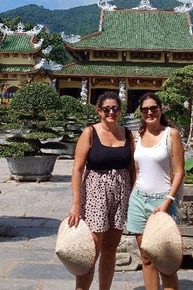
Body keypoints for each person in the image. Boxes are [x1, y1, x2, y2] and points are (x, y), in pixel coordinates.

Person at [69, 92, 135, 290]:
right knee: (91, 249)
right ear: (99, 111)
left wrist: (134, 196)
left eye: (115, 108)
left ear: (120, 111)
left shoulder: (127, 134)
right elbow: (77, 169)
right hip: (95, 193)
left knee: (111, 248)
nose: (111, 112)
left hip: (121, 192)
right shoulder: (90, 133)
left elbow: (132, 168)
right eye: (107, 109)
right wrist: (75, 204)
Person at [127, 92, 184, 290]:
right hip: (139, 201)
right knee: (146, 256)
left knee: (166, 261)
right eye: (145, 109)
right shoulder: (137, 136)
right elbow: (137, 170)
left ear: (160, 109)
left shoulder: (171, 134)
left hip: (162, 202)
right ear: (141, 113)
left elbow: (179, 171)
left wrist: (168, 201)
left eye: (153, 108)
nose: (150, 112)